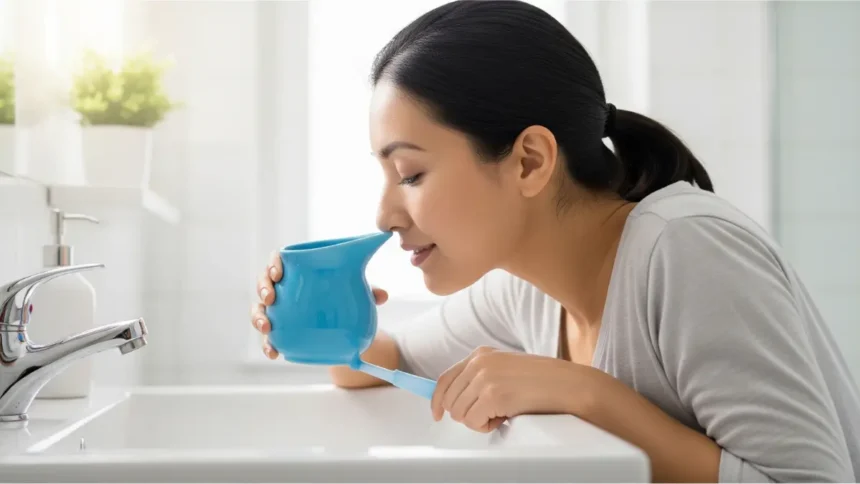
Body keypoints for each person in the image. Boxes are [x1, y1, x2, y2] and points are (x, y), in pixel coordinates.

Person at [249, 1, 860, 482]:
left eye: (410, 174)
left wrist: (583, 393)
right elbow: (388, 366)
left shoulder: (687, 250)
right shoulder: (523, 289)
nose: (385, 215)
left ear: (529, 160)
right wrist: (316, 319)